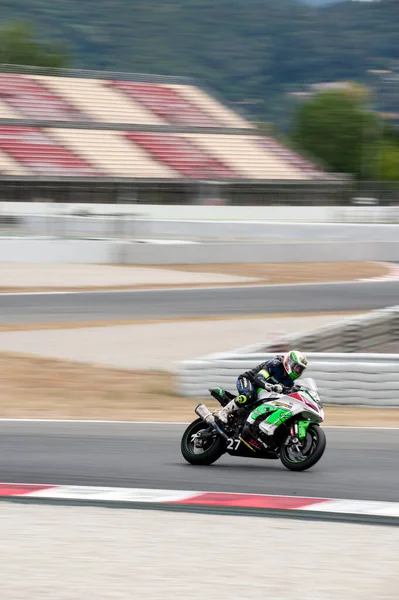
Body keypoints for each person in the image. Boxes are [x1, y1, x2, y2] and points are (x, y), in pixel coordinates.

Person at [218, 350, 308, 423]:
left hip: (263, 392)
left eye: (300, 370)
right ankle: (225, 411)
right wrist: (268, 385)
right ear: (290, 362)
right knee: (250, 395)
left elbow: (288, 392)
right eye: (297, 367)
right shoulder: (275, 365)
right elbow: (258, 377)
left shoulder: (290, 381)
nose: (298, 371)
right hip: (248, 380)